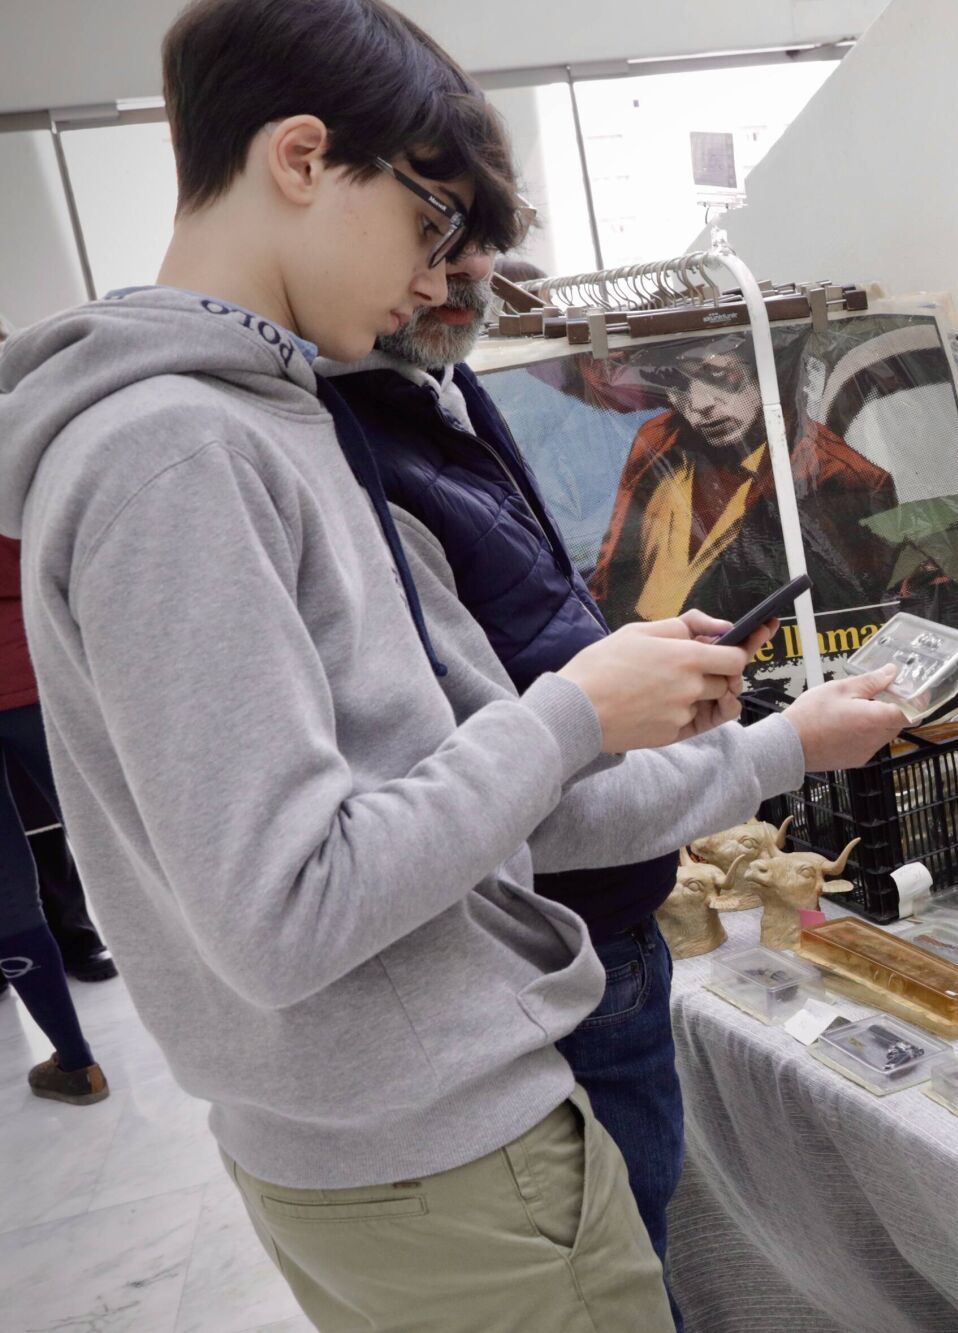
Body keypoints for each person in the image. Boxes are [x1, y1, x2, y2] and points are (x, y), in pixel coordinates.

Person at [0, 0, 895, 1325]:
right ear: (302, 158)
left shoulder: (264, 418)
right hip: (431, 1148)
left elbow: (398, 774)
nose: (436, 278)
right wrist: (572, 714)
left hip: (432, 1114)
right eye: (429, 223)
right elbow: (285, 911)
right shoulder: (180, 450)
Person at [317, 244, 905, 1313]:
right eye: (438, 234)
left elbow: (543, 664)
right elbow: (518, 798)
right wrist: (780, 747)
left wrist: (648, 683)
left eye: (723, 377)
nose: (462, 277)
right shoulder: (356, 455)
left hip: (586, 929)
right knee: (625, 1272)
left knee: (636, 1247)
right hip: (558, 947)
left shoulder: (436, 400)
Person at [587, 332, 901, 624]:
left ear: (767, 373)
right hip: (639, 646)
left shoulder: (837, 476)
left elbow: (851, 615)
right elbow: (613, 572)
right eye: (674, 382)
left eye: (718, 376)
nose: (700, 404)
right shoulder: (658, 439)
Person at [0, 531, 108, 1105]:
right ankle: (231, 1019)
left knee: (6, 896)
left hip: (31, 670)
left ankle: (77, 1064)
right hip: (29, 668)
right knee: (121, 848)